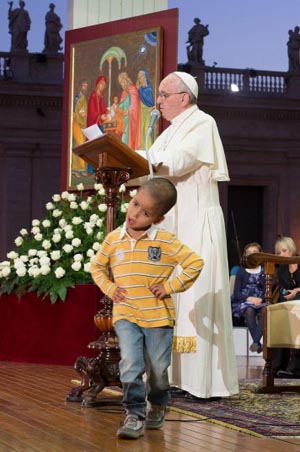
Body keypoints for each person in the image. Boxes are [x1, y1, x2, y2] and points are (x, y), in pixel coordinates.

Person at [146, 71, 239, 399]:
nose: (158, 102)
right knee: (171, 301)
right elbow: (150, 164)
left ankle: (201, 382)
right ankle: (172, 377)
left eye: (163, 95)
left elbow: (177, 163)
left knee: (194, 296)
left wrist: (143, 158)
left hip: (195, 224)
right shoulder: (168, 132)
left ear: (183, 97)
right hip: (173, 223)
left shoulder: (202, 122)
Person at [90, 177, 204, 439]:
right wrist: (110, 288)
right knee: (130, 364)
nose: (134, 214)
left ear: (158, 219)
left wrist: (170, 287)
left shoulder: (164, 240)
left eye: (145, 213)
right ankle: (134, 414)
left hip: (158, 317)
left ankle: (159, 402)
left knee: (159, 373)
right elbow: (97, 267)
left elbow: (194, 263)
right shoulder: (113, 239)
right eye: (134, 204)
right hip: (126, 314)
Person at [272, 236, 300, 377]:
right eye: (278, 253)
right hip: (288, 304)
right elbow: (283, 289)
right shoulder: (282, 268)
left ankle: (295, 368)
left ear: (292, 250)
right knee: (278, 318)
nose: (281, 255)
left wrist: (297, 291)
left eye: (284, 251)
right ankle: (277, 366)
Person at [231, 242, 266, 353]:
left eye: (255, 253)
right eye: (249, 253)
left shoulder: (264, 271)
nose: (252, 255)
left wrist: (261, 299)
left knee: (265, 310)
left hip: (261, 299)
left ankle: (256, 342)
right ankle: (257, 343)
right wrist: (249, 299)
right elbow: (236, 292)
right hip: (245, 299)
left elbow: (267, 290)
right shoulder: (241, 271)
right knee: (249, 310)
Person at [118, 71, 141, 150]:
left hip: (130, 119)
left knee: (126, 140)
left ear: (126, 79)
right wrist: (120, 111)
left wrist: (128, 111)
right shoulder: (124, 92)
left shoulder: (132, 89)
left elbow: (135, 104)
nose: (121, 83)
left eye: (121, 81)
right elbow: (120, 106)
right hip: (124, 119)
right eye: (120, 82)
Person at [72, 79, 89, 177]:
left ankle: (80, 169)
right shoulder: (77, 98)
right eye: (83, 86)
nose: (85, 88)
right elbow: (75, 112)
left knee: (80, 144)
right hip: (76, 123)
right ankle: (77, 169)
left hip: (82, 123)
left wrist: (84, 115)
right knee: (79, 144)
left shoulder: (84, 98)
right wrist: (80, 116)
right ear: (80, 87)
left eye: (86, 86)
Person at [136, 69, 155, 149]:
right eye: (138, 77)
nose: (139, 78)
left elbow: (153, 102)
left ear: (144, 77)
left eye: (140, 76)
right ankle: (143, 150)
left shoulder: (149, 89)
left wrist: (153, 107)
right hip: (141, 113)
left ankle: (149, 148)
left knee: (147, 130)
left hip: (148, 112)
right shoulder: (139, 89)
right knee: (141, 132)